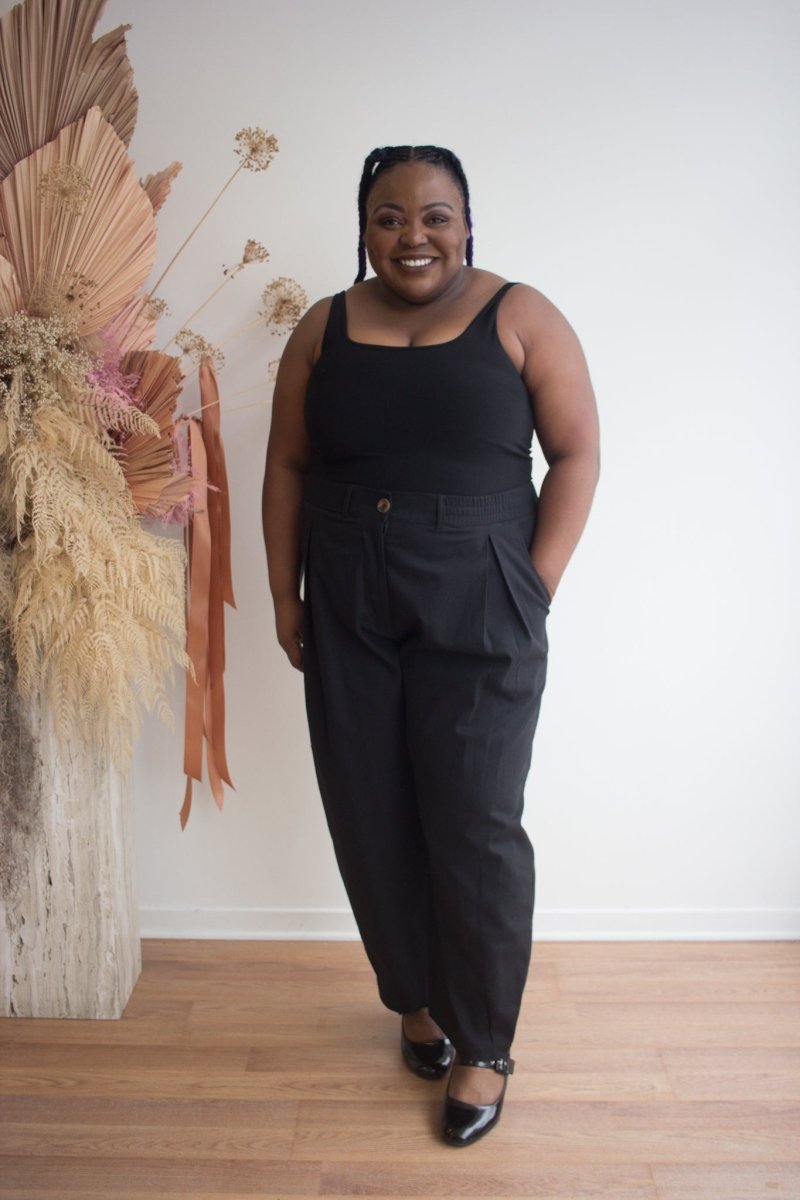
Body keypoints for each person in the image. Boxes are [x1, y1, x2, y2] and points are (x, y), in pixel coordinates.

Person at [262, 144, 599, 1147]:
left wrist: (532, 585)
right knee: (368, 808)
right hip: (346, 588)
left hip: (480, 585)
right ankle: (415, 999)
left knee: (475, 819)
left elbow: (576, 452)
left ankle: (484, 1043)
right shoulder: (321, 327)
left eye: (434, 215)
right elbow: (286, 463)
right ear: (364, 229)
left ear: (467, 223)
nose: (413, 235)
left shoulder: (521, 316)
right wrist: (282, 590)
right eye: (389, 217)